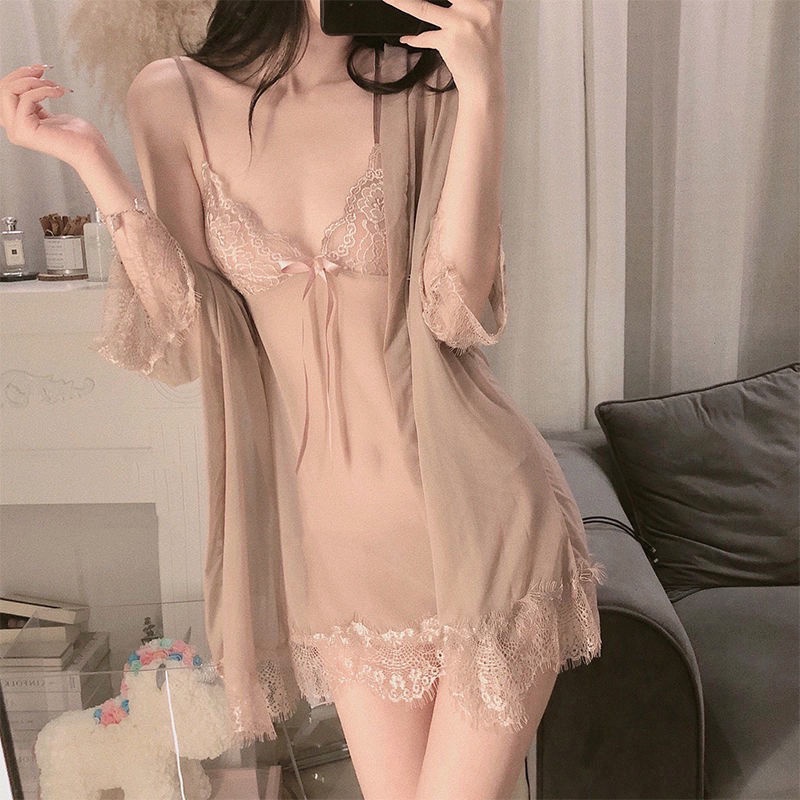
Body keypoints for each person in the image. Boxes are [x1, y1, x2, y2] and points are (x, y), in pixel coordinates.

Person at [0, 1, 606, 798]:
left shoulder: (426, 89)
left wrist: (486, 90)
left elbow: (459, 312)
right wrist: (90, 160)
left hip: (481, 515)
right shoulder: (171, 98)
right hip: (336, 553)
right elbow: (192, 340)